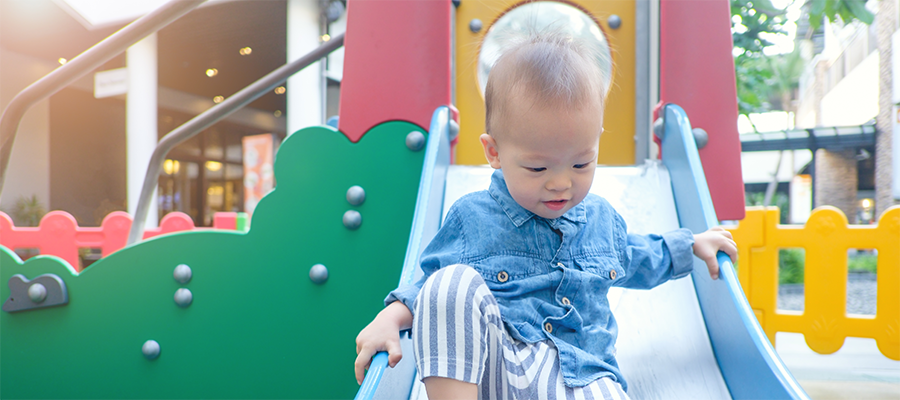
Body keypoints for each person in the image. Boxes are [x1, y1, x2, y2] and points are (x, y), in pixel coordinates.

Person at [354, 28, 737, 400]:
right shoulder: (472, 218)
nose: (560, 184)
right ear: (495, 153)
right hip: (498, 369)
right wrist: (391, 317)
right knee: (448, 284)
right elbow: (430, 293)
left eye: (581, 164)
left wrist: (690, 245)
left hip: (581, 375)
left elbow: (637, 258)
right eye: (538, 169)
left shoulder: (600, 221)